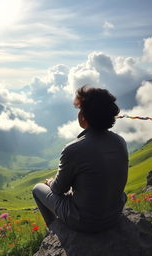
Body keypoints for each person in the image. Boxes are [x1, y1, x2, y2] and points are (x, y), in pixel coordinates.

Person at [32, 85, 128, 233]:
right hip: (115, 215)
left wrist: (50, 182)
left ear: (84, 116)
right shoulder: (120, 141)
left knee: (37, 189)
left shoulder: (73, 149)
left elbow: (58, 189)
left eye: (80, 110)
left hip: (86, 222)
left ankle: (55, 230)